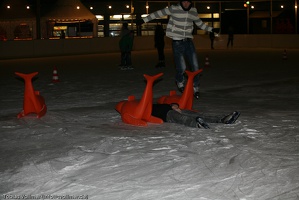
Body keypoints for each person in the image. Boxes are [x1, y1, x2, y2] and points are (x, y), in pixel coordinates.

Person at [141, 0, 218, 99]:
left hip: (189, 42)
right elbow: (158, 13)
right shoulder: (174, 9)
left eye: (188, 2)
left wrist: (211, 29)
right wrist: (144, 20)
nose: (186, 4)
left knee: (195, 66)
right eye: (184, 2)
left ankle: (195, 87)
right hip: (177, 42)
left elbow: (200, 23)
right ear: (181, 2)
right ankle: (180, 81)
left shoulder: (193, 11)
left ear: (191, 3)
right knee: (182, 67)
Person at [151, 103, 240, 129]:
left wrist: (174, 106)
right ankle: (197, 124)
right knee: (182, 118)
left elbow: (173, 103)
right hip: (167, 115)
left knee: (198, 114)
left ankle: (222, 119)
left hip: (174, 109)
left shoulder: (156, 103)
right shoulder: (149, 108)